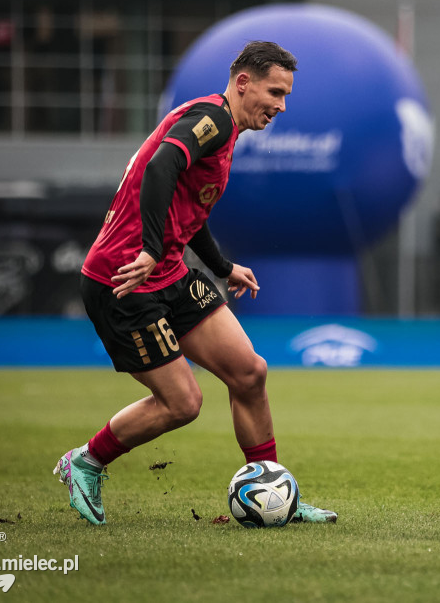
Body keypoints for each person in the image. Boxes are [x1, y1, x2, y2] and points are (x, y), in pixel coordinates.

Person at [54, 41, 336, 525]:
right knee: (182, 404)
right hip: (124, 280)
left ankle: (269, 489)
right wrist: (148, 247)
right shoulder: (215, 119)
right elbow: (163, 165)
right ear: (243, 83)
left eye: (286, 95)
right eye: (275, 92)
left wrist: (222, 267)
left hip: (168, 271)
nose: (281, 106)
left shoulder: (224, 132)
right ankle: (86, 460)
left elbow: (190, 208)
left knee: (249, 372)